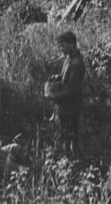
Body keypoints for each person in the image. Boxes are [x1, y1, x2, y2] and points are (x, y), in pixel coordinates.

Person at [47, 30, 86, 158]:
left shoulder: (76, 63)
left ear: (72, 44)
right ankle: (68, 159)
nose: (61, 48)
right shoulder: (69, 59)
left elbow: (72, 90)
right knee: (64, 136)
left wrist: (54, 97)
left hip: (71, 108)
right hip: (65, 107)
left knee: (70, 137)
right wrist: (57, 77)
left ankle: (72, 161)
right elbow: (66, 78)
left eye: (63, 45)